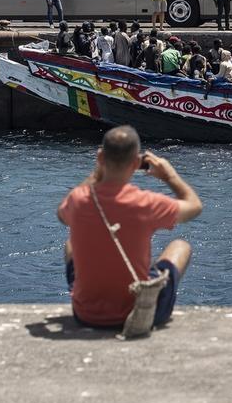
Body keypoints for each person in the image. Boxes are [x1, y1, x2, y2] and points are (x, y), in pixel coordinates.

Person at [58, 126, 201, 330]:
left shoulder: (77, 199)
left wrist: (96, 174)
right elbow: (194, 207)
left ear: (100, 157)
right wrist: (170, 176)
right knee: (180, 246)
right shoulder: (146, 203)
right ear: (136, 164)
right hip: (138, 312)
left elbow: (62, 216)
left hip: (85, 315)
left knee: (70, 244)